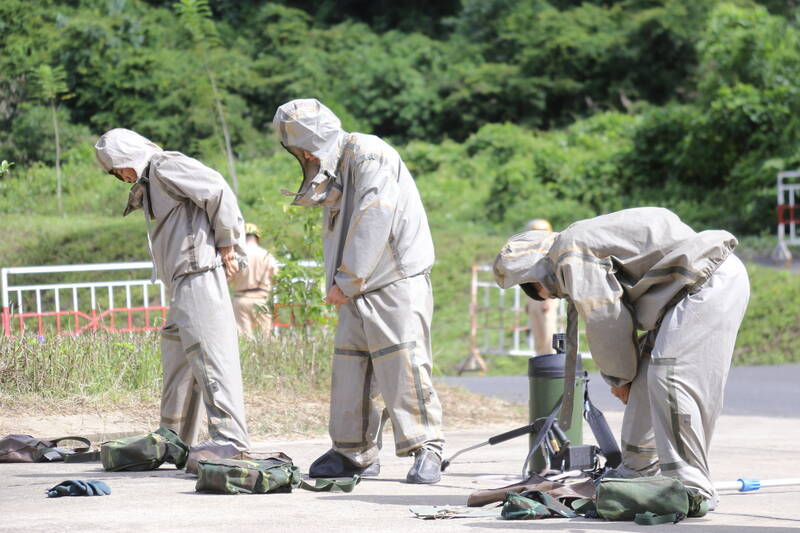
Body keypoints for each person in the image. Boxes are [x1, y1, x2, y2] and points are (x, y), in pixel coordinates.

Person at [493, 207, 749, 510]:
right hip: (685, 291)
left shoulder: (570, 252)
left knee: (670, 378)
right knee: (648, 378)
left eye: (543, 292)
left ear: (537, 275)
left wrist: (619, 378)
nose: (555, 296)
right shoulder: (577, 243)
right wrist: (630, 376)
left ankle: (692, 488)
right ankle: (636, 470)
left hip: (706, 284)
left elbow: (606, 318)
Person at [272, 99, 444, 484]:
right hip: (354, 285)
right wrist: (345, 284)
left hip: (392, 279)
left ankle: (427, 446)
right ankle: (355, 453)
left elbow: (375, 215)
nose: (298, 156)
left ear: (308, 143)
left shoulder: (369, 155)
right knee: (352, 367)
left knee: (404, 363)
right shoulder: (339, 165)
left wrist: (346, 280)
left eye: (298, 148)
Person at [95, 128, 251, 471]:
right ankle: (173, 439)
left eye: (118, 168)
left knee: (212, 360)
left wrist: (228, 243)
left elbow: (218, 189)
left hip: (198, 276)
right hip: (182, 284)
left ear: (129, 158)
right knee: (178, 362)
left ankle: (231, 440)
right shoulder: (153, 180)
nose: (121, 177)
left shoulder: (164, 165)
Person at [230, 223, 279, 339]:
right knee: (266, 338)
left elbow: (228, 278)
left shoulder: (237, 256)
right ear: (257, 237)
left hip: (240, 300)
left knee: (244, 338)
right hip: (260, 300)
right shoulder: (266, 255)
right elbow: (276, 276)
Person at [525, 219, 559, 354]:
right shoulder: (530, 252)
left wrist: (548, 300)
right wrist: (528, 301)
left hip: (546, 296)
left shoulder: (549, 252)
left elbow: (550, 278)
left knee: (548, 330)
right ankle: (541, 359)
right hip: (534, 296)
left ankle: (551, 358)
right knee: (537, 331)